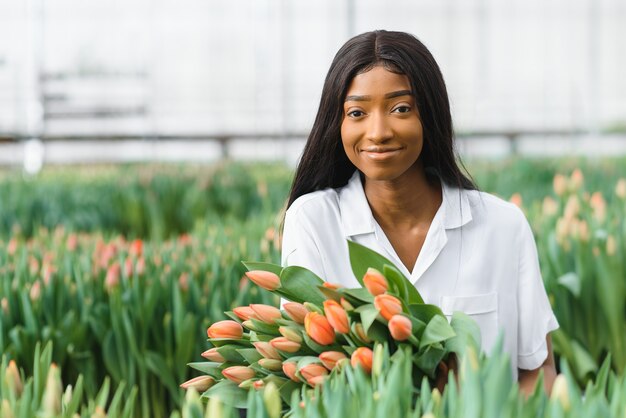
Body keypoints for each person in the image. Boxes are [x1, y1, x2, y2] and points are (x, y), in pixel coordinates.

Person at [280, 30, 559, 395]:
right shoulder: (314, 222)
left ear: (430, 113)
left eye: (400, 108)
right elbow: (305, 376)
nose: (378, 132)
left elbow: (537, 370)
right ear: (338, 123)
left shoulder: (503, 226)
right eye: (357, 112)